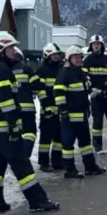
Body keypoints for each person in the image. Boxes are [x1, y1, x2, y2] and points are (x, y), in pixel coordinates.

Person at [0, 31, 59, 213]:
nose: (14, 51)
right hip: (5, 128)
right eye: (10, 48)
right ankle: (38, 201)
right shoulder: (3, 71)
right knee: (21, 164)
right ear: (0, 49)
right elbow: (6, 102)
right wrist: (14, 125)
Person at [53, 44, 105, 178]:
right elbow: (58, 91)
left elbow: (83, 88)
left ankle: (90, 166)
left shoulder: (81, 72)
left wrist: (93, 91)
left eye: (80, 57)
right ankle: (69, 169)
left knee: (85, 144)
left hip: (82, 115)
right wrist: (63, 109)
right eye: (75, 57)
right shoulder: (64, 72)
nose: (79, 60)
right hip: (69, 116)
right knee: (68, 144)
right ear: (69, 59)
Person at [33, 43, 65, 172]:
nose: (56, 57)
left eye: (57, 54)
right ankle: (44, 162)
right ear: (47, 55)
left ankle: (57, 161)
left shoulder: (62, 68)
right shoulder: (42, 70)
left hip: (60, 108)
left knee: (59, 137)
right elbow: (39, 90)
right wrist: (46, 106)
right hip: (47, 109)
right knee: (46, 138)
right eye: (53, 55)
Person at [13, 46, 38, 154]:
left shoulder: (4, 70)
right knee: (30, 132)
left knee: (16, 132)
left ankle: (16, 156)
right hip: (27, 108)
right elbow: (37, 84)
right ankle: (25, 154)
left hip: (12, 108)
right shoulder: (27, 69)